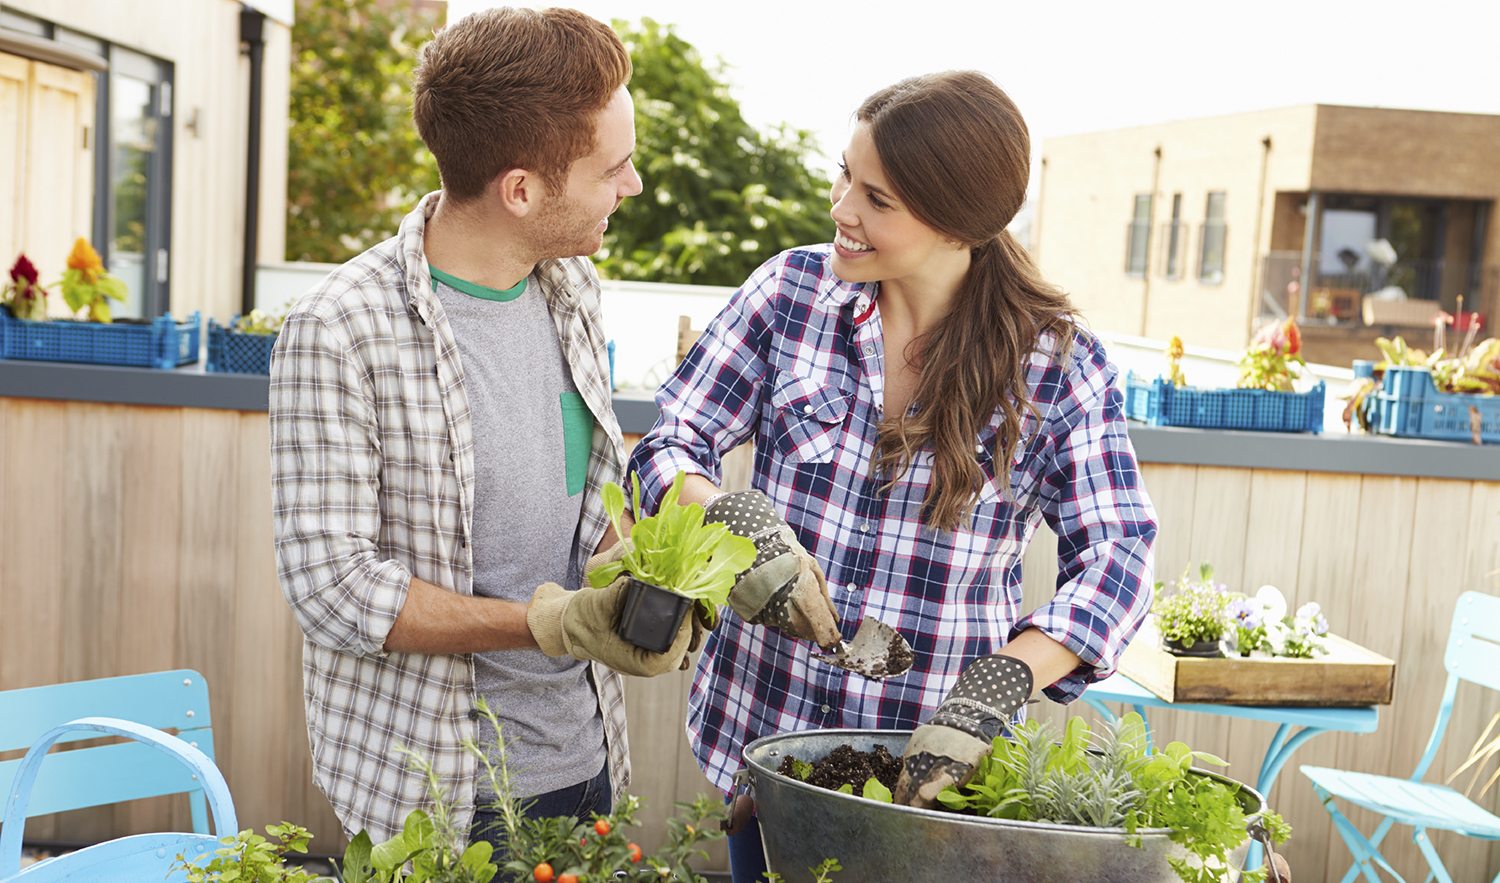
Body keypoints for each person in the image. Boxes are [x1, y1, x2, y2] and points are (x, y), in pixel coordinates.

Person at [626, 70, 1158, 880]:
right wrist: (725, 514)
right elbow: (667, 441)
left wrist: (1008, 676)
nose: (842, 209)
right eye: (844, 174)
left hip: (931, 783)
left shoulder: (1057, 368)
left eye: (878, 198)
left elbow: (1121, 553)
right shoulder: (789, 297)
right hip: (759, 739)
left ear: (959, 224)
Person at [268, 7, 691, 850]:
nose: (633, 185)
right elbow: (333, 588)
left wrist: (644, 572)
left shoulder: (570, 288)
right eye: (615, 168)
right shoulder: (339, 328)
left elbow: (582, 503)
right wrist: (544, 621)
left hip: (589, 752)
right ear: (523, 188)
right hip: (436, 790)